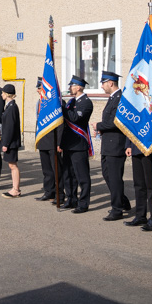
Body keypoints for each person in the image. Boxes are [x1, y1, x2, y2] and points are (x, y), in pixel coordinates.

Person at [91, 71, 131, 221]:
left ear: (110, 83)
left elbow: (116, 122)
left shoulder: (120, 99)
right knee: (107, 175)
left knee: (114, 178)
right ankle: (123, 201)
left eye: (103, 83)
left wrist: (99, 125)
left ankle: (117, 209)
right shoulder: (112, 98)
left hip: (116, 145)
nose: (101, 86)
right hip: (108, 144)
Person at [58, 76, 93, 213]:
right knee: (68, 174)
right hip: (68, 144)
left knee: (82, 176)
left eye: (72, 86)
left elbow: (75, 118)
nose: (70, 88)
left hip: (79, 144)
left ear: (78, 87)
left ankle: (83, 203)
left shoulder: (86, 102)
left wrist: (62, 106)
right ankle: (71, 199)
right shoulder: (71, 102)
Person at [125, 130, 152, 231]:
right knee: (139, 184)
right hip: (136, 147)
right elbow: (131, 125)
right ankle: (140, 216)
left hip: (150, 147)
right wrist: (128, 144)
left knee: (151, 185)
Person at [34, 77, 57, 202]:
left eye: (40, 88)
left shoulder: (54, 103)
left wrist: (58, 143)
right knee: (46, 170)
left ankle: (59, 193)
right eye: (38, 89)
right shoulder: (39, 102)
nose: (38, 91)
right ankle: (49, 191)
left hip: (52, 141)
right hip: (42, 140)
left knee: (56, 169)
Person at [0, 84, 22, 198]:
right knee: (11, 165)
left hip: (11, 142)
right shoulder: (9, 106)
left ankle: (16, 189)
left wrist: (6, 143)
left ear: (7, 94)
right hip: (10, 141)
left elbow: (10, 127)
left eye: (3, 92)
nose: (1, 94)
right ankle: (15, 188)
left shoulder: (12, 107)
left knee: (13, 165)